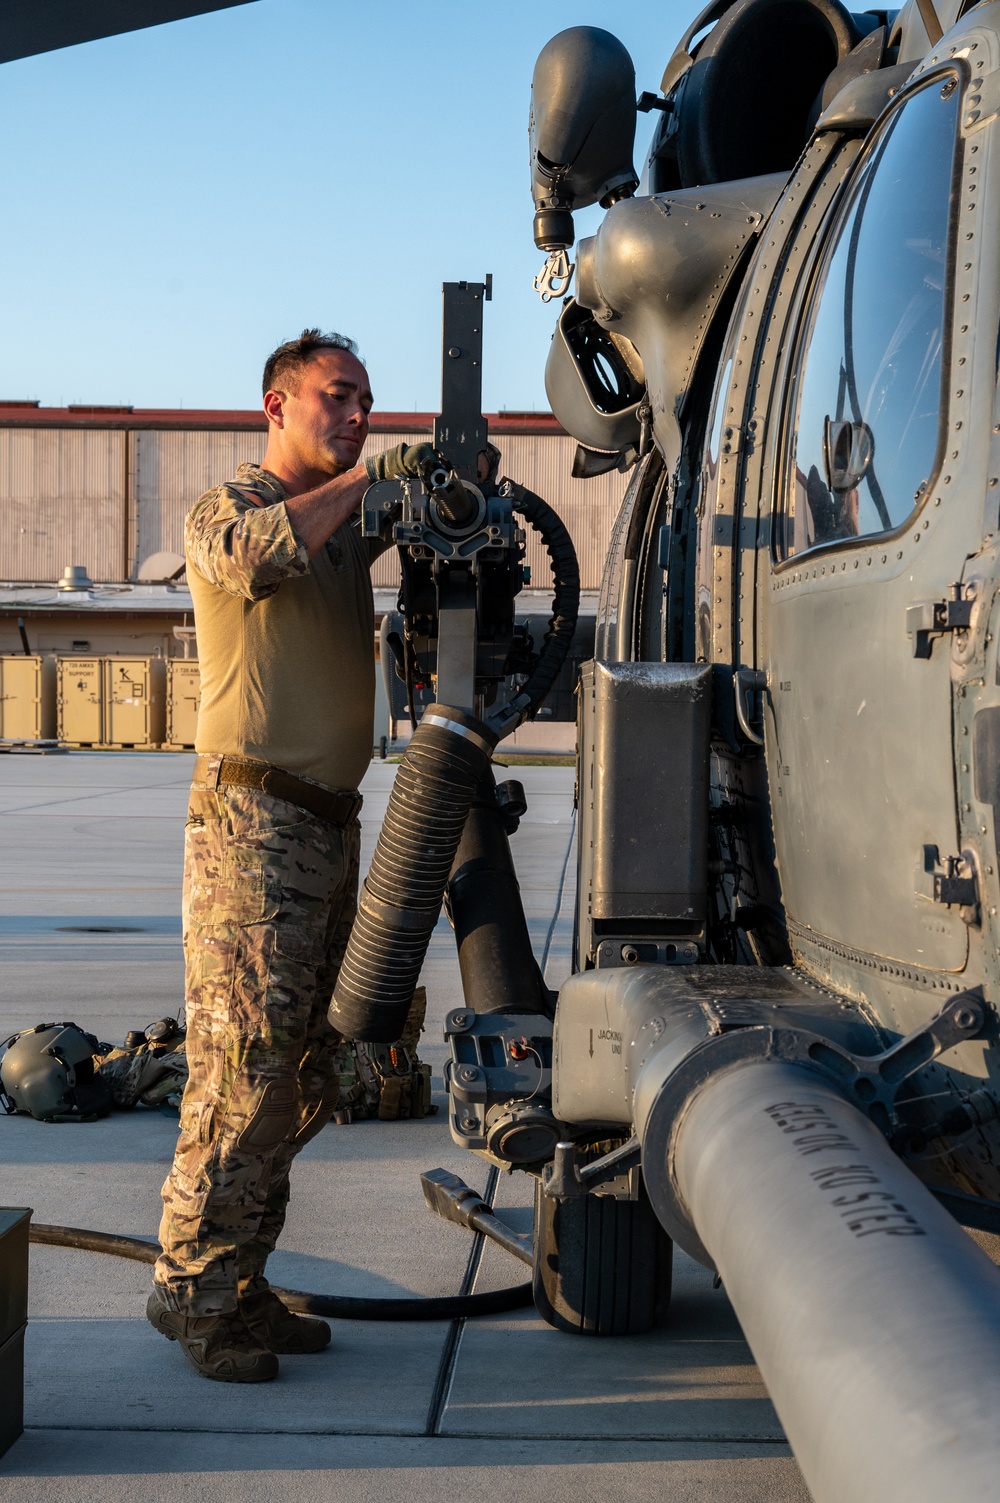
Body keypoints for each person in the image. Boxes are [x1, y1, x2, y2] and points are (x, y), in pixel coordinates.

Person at [146, 329, 432, 1382]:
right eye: (335, 397)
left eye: (364, 401)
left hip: (328, 823)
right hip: (252, 825)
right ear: (275, 406)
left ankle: (241, 1283)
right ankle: (192, 1295)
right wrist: (366, 482)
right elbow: (246, 558)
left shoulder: (344, 529)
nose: (356, 415)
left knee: (306, 1071)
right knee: (241, 1073)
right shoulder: (229, 510)